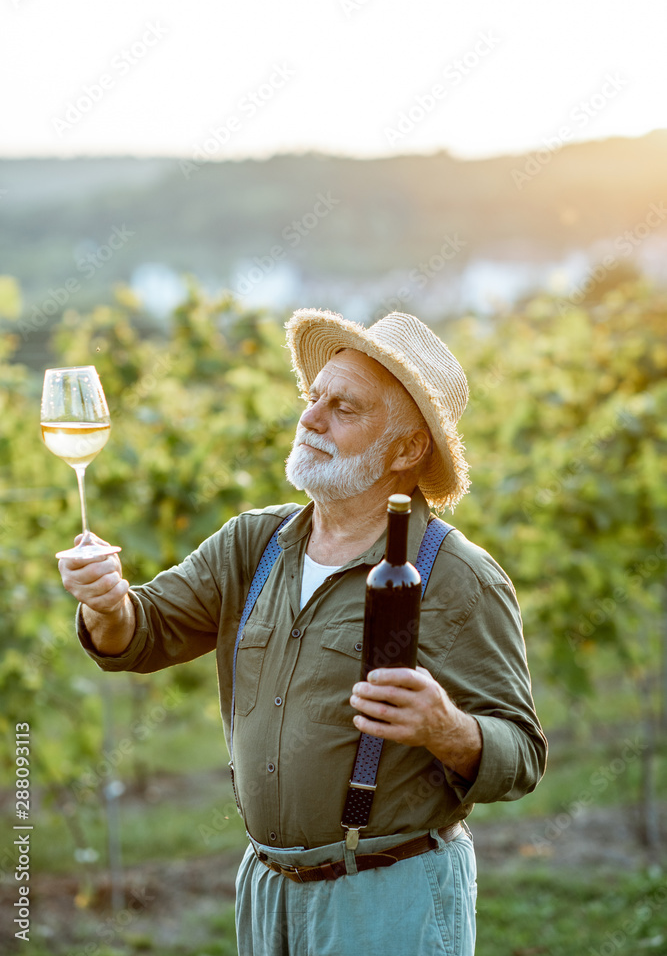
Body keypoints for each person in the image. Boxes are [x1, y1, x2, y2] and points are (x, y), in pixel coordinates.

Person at [60, 308, 547, 956]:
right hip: (267, 892)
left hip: (386, 894)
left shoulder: (456, 577)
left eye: (343, 408)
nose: (310, 418)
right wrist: (106, 602)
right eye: (313, 397)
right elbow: (140, 631)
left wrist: (447, 729)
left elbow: (522, 757)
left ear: (404, 449)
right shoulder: (254, 543)